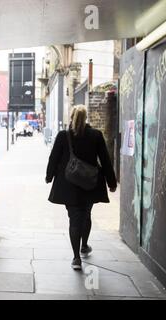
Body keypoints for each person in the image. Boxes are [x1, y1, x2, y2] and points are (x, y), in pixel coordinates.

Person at [45, 105, 117, 270]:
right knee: (86, 214)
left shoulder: (63, 136)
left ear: (71, 117)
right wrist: (111, 182)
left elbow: (53, 158)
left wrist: (49, 177)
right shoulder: (96, 135)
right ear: (86, 118)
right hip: (90, 184)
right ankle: (84, 245)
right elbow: (105, 160)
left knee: (74, 218)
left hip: (68, 185)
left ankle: (76, 258)